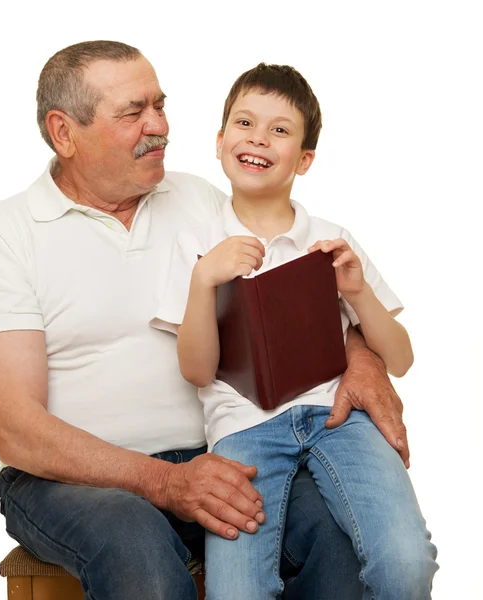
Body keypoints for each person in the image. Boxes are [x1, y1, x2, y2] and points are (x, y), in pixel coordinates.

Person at [0, 40, 409, 600]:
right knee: (137, 551)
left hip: (221, 453)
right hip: (70, 482)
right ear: (63, 132)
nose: (159, 126)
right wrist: (165, 481)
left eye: (159, 104)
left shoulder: (202, 202)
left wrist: (362, 359)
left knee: (340, 539)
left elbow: (306, 295)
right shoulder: (2, 236)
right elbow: (17, 428)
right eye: (132, 113)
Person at [151, 63, 438, 599]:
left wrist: (355, 291)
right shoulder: (196, 244)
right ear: (218, 142)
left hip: (339, 420)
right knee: (238, 591)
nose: (259, 138)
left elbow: (400, 359)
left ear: (304, 159)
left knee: (405, 561)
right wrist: (203, 279)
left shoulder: (331, 239)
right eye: (245, 123)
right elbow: (195, 370)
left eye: (280, 130)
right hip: (243, 430)